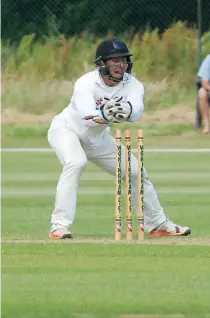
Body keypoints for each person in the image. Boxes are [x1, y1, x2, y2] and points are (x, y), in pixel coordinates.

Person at [47, 38, 191, 239]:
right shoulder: (86, 82)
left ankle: (157, 223)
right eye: (114, 61)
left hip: (98, 138)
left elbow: (137, 111)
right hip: (66, 130)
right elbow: (85, 116)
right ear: (102, 63)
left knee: (135, 171)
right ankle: (59, 226)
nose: (120, 66)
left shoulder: (133, 84)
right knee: (76, 162)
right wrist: (105, 114)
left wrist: (128, 110)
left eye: (123, 61)